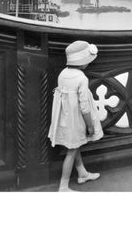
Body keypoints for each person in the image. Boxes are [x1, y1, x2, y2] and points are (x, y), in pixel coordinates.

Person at [48, 40, 104, 191]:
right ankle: (63, 186)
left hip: (65, 119)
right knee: (71, 152)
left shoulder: (63, 74)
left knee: (74, 146)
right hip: (76, 119)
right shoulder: (81, 78)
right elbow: (84, 107)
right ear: (83, 62)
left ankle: (82, 173)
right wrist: (90, 125)